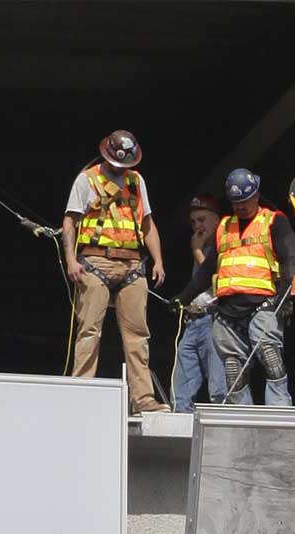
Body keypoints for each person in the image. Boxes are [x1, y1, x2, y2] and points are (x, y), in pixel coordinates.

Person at [62, 129, 169, 414]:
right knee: (89, 331)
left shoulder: (136, 181)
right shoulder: (88, 179)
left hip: (133, 265)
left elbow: (147, 224)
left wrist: (158, 260)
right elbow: (70, 222)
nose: (122, 169)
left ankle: (143, 399)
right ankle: (80, 392)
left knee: (137, 336)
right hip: (96, 262)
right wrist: (71, 260)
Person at [173, 168, 295, 405]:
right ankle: (242, 418)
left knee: (270, 356)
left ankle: (280, 412)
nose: (241, 207)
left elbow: (290, 259)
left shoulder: (273, 221)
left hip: (262, 303)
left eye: (245, 201)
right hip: (228, 310)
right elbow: (209, 269)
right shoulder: (224, 227)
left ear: (256, 195)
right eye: (236, 202)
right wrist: (184, 296)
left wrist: (286, 297)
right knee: (233, 369)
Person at [171, 194, 227, 411]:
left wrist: (196, 251)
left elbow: (219, 282)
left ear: (216, 220)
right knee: (180, 392)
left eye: (202, 220)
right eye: (193, 222)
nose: (197, 227)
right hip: (192, 321)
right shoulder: (202, 246)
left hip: (214, 319)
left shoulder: (224, 246)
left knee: (219, 389)